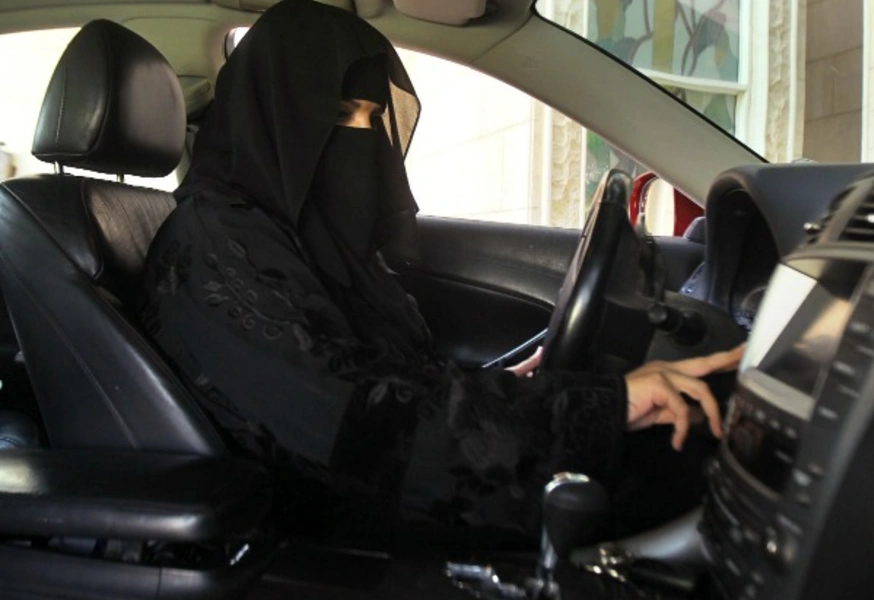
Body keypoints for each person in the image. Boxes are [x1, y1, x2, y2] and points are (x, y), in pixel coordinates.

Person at [139, 0, 741, 542]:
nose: (367, 141)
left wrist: (527, 385)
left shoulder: (294, 236)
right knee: (674, 474)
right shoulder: (215, 244)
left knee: (679, 442)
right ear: (278, 114)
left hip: (369, 486)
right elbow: (355, 419)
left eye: (375, 118)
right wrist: (596, 409)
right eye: (345, 115)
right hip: (322, 536)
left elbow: (387, 380)